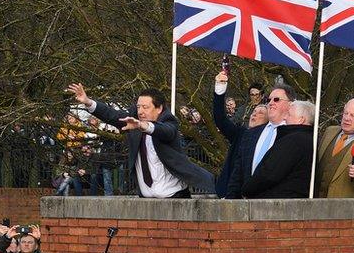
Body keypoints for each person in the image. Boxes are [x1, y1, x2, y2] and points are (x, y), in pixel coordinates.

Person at [67, 83, 215, 197]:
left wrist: (144, 126)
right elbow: (111, 115)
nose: (140, 111)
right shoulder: (133, 121)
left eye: (145, 107)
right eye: (138, 107)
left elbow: (166, 132)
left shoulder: (169, 121)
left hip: (175, 196)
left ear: (159, 109)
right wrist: (88, 102)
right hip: (145, 198)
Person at [226, 84, 294, 199]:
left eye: (276, 99)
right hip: (247, 205)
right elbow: (237, 175)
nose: (271, 103)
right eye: (269, 100)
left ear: (290, 104)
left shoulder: (293, 136)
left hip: (279, 205)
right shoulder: (250, 134)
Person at [241, 100, 314, 199]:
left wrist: (247, 189)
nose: (284, 117)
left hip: (278, 204)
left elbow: (269, 173)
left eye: (289, 114)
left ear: (301, 120)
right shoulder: (309, 139)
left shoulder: (293, 141)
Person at [212, 71, 268, 197]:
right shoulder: (241, 133)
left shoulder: (272, 139)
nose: (254, 114)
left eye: (260, 113)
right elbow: (220, 119)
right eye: (254, 112)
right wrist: (220, 89)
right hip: (231, 192)